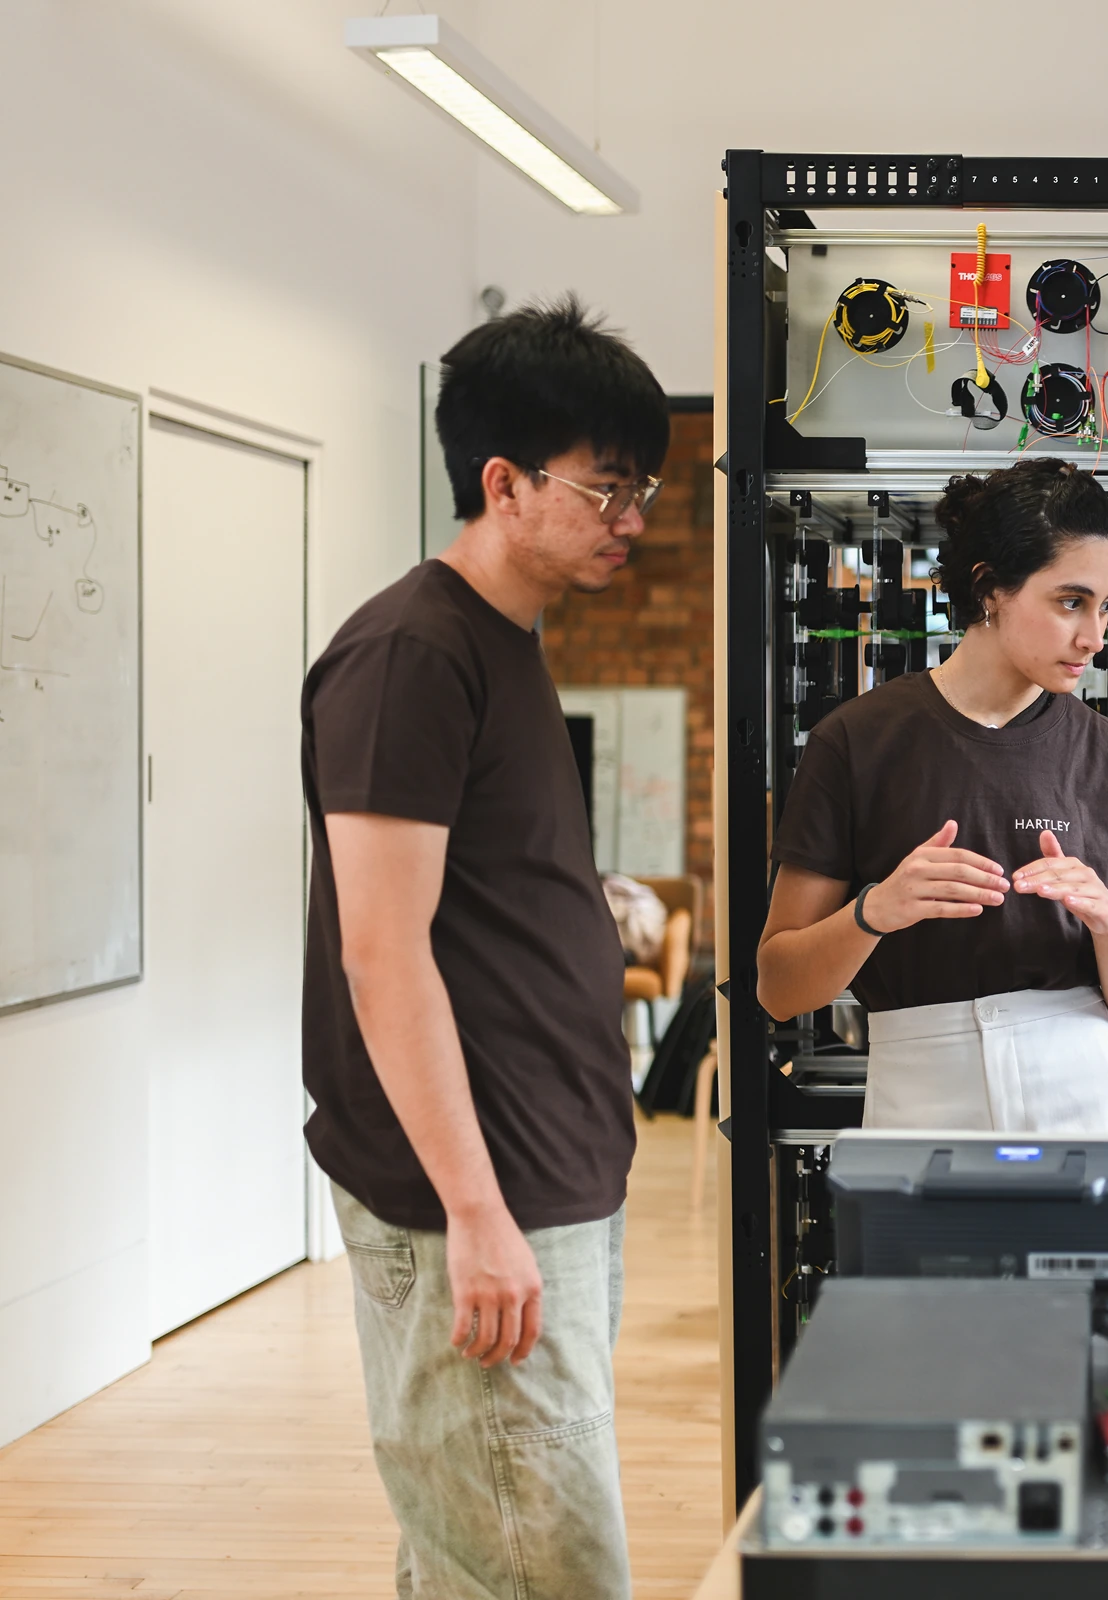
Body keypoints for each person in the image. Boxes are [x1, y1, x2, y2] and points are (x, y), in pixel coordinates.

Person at [301, 297, 668, 1599]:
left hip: (547, 1166)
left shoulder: (505, 642)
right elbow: (381, 952)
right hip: (478, 1188)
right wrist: (473, 1211)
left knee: (484, 1545)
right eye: (606, 487)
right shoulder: (413, 652)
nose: (633, 519)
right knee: (542, 1562)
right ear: (502, 483)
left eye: (642, 489)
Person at [756, 457, 1108, 1132]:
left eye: (1106, 606)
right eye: (1070, 602)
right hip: (920, 1094)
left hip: (1085, 1094)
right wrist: (875, 911)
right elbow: (779, 989)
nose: (1095, 637)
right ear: (989, 589)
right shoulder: (855, 741)